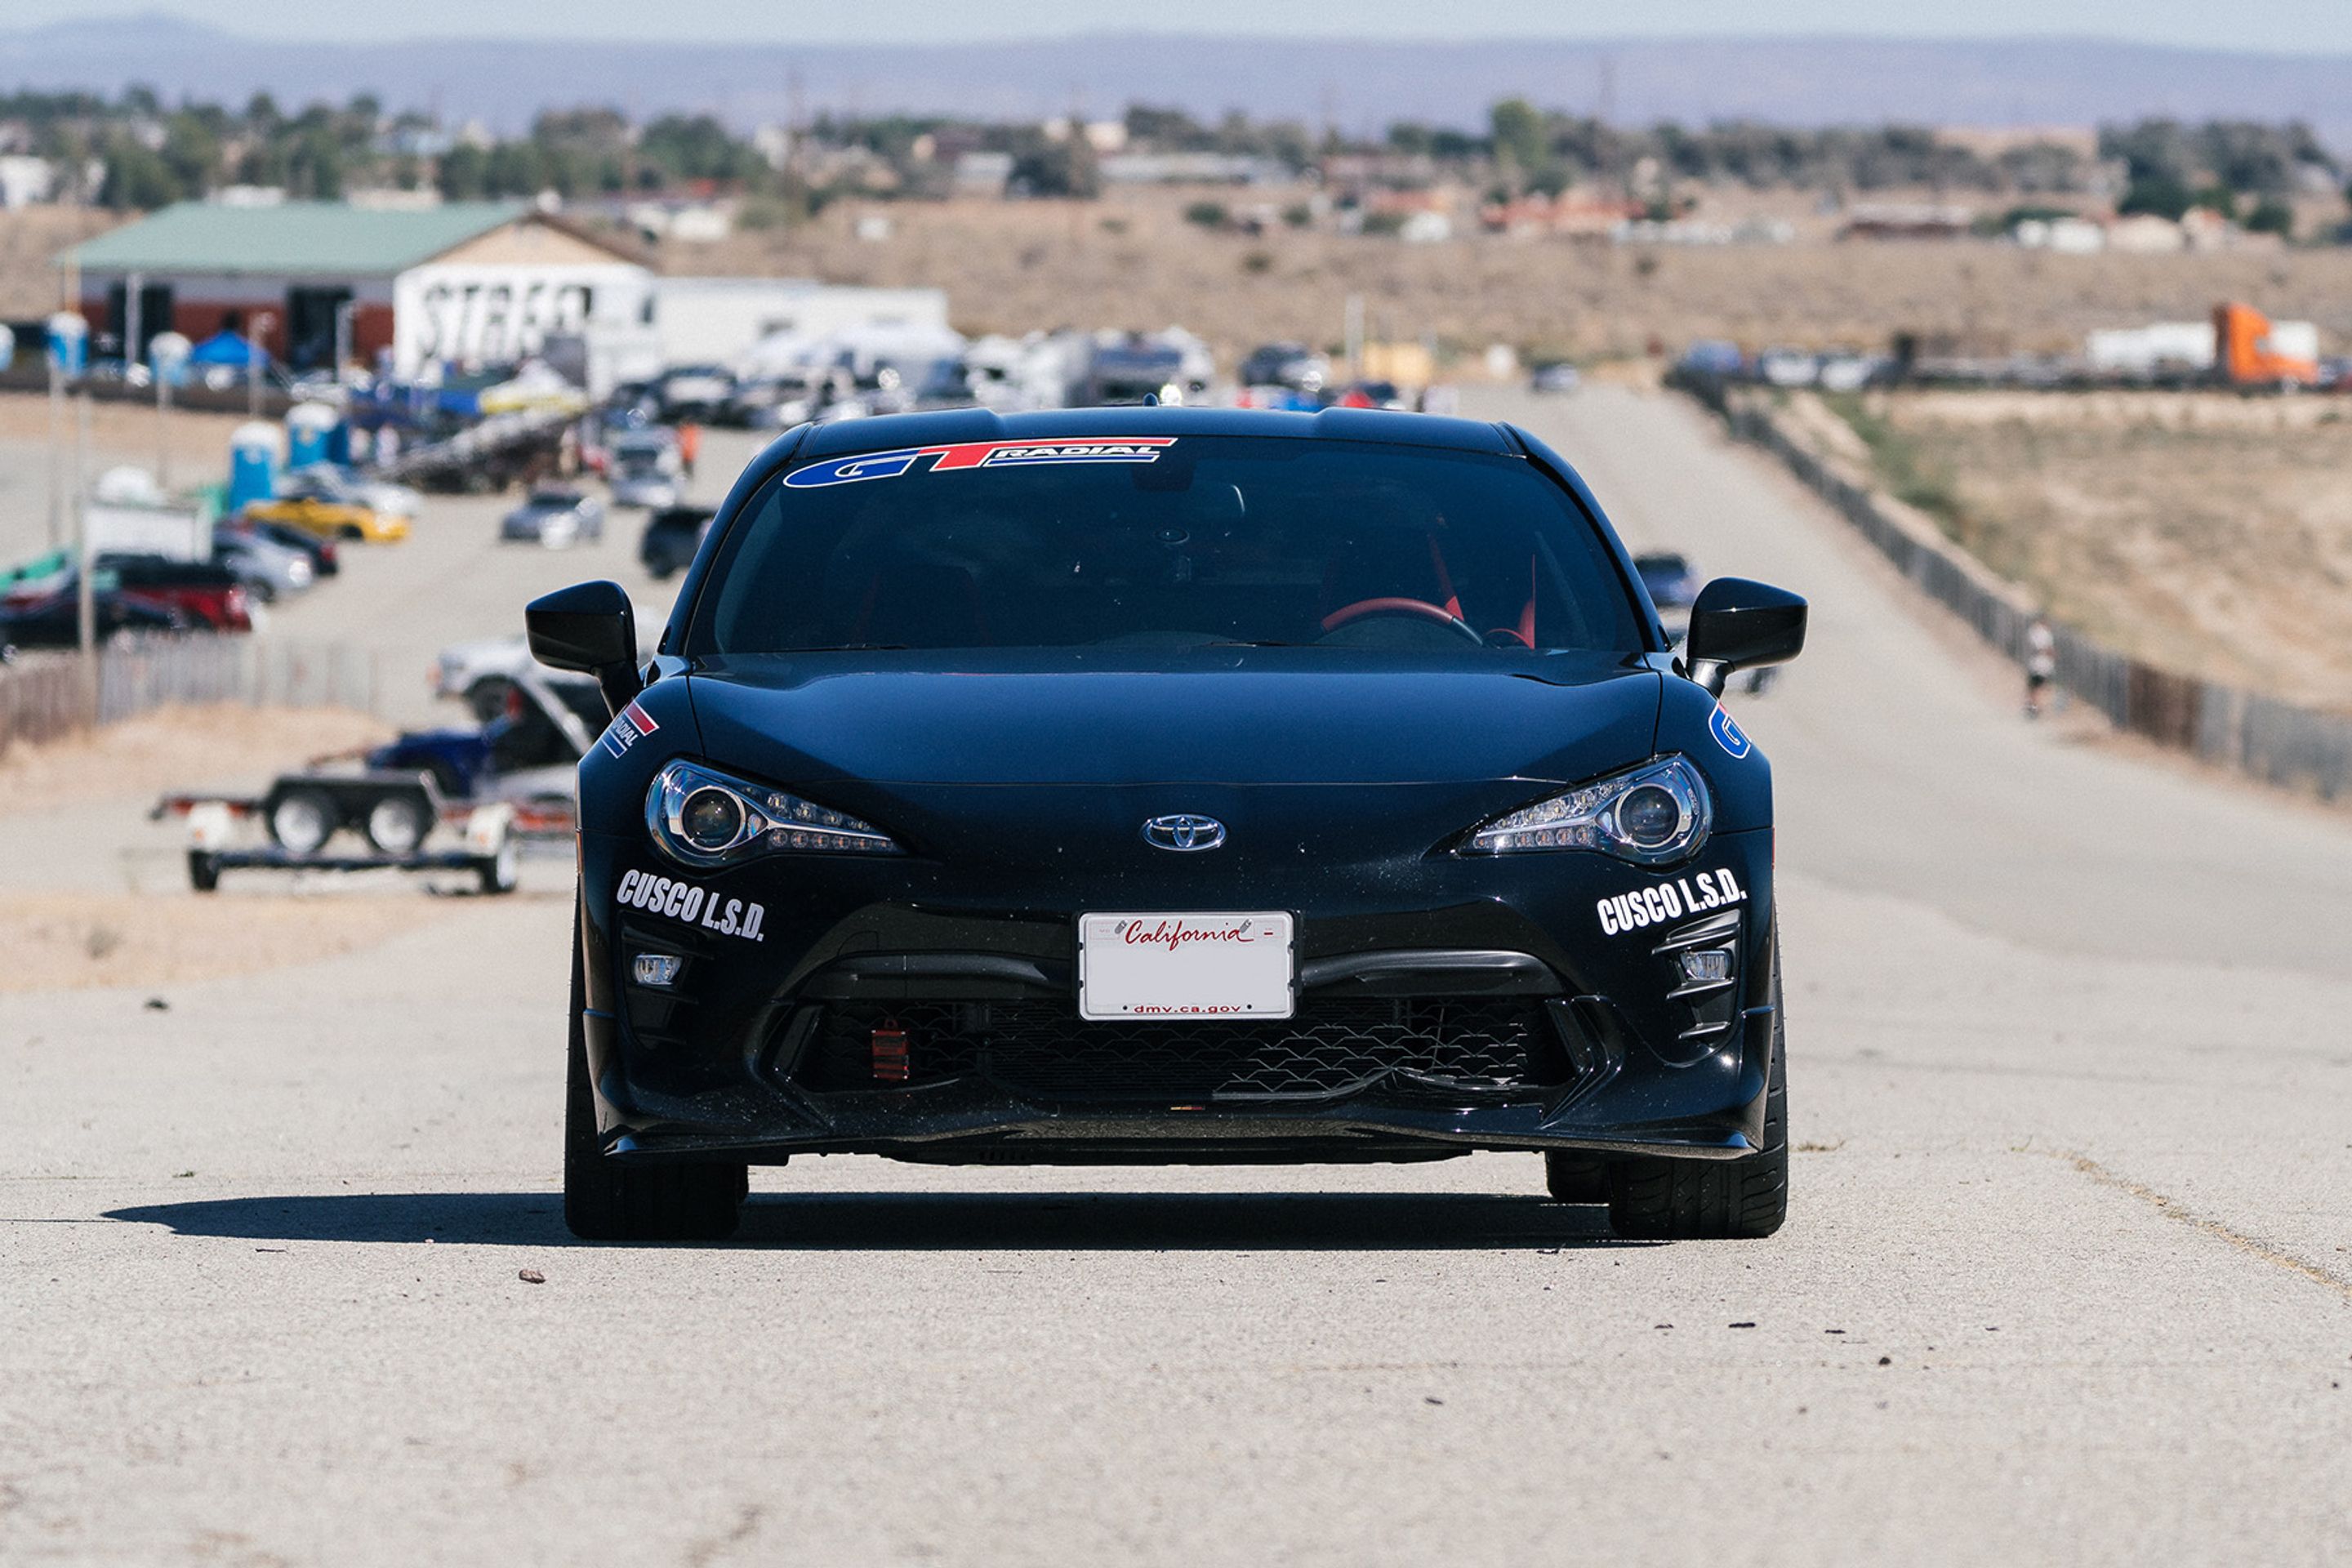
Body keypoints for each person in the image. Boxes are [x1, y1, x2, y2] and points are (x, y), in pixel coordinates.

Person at [2024, 615, 2057, 719]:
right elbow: (2045, 649)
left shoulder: (2033, 631)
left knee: (2033, 687)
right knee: (2038, 688)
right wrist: (2051, 653)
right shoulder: (2044, 633)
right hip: (2042, 665)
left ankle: (2032, 707)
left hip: (2035, 664)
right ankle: (2036, 707)